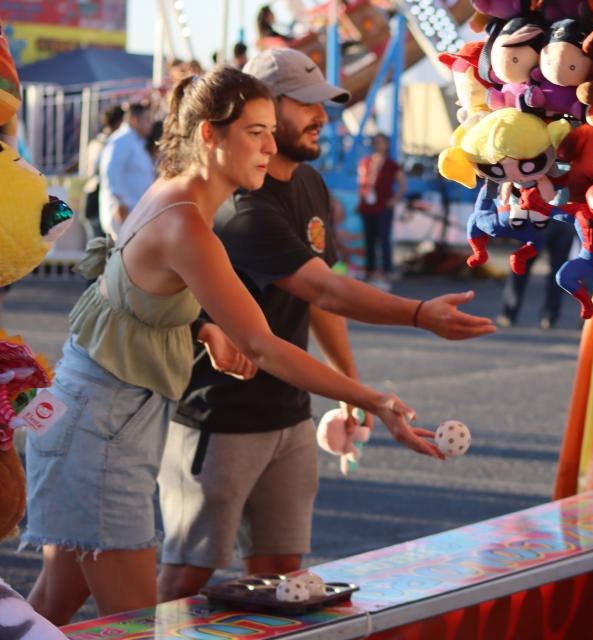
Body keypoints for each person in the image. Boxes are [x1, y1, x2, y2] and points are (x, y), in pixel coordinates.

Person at [23, 65, 450, 624]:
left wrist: (202, 328)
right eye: (256, 132)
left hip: (91, 417)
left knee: (51, 608)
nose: (271, 148)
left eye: (273, 131)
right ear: (209, 133)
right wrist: (377, 400)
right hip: (101, 432)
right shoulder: (186, 221)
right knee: (136, 627)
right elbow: (267, 345)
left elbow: (124, 289)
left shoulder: (174, 195)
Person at [156, 48, 494, 601]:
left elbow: (319, 298)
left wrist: (350, 390)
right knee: (188, 571)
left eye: (324, 104)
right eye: (305, 104)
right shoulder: (241, 206)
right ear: (258, 111)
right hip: (220, 414)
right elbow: (323, 288)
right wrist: (416, 314)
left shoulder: (309, 184)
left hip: (291, 408)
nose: (322, 116)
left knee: (282, 571)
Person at [496, 219, 577, 329]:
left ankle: (509, 313)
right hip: (564, 222)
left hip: (538, 220)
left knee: (520, 265)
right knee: (558, 271)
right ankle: (549, 316)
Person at [97, 101, 156, 239]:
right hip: (124, 214)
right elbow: (110, 172)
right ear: (135, 120)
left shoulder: (135, 142)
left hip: (135, 214)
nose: (151, 124)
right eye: (147, 120)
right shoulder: (121, 140)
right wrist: (120, 203)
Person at [357, 133, 406, 289]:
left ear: (386, 145)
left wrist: (395, 199)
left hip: (384, 206)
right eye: (376, 142)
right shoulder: (365, 163)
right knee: (369, 239)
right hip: (368, 206)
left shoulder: (392, 165)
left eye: (381, 142)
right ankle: (370, 270)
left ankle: (386, 270)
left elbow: (402, 185)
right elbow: (361, 183)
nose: (378, 145)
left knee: (384, 238)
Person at [82, 105, 124, 238]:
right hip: (98, 201)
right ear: (119, 122)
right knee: (101, 250)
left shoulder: (95, 142)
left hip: (91, 198)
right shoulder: (110, 145)